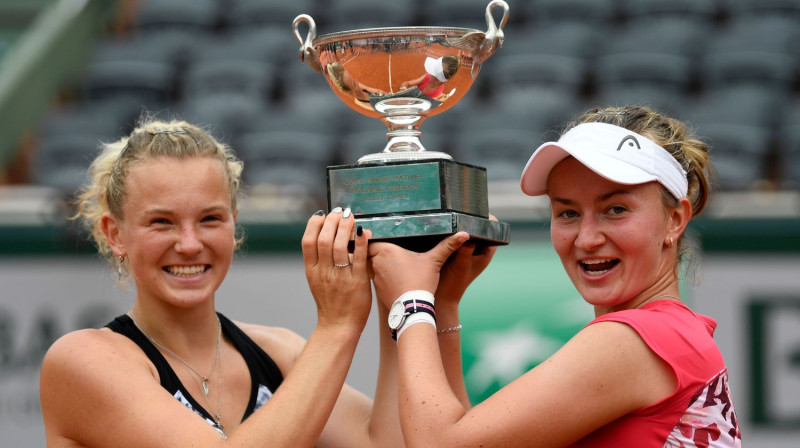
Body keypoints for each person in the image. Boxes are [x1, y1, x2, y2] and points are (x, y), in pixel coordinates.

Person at [367, 105, 743, 447]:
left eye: (615, 209)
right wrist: (444, 303)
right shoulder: (669, 334)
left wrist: (412, 301)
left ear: (675, 219)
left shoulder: (636, 340)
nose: (587, 238)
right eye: (568, 213)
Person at [39, 118, 404, 447]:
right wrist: (337, 326)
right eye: (161, 222)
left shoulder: (278, 353)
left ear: (234, 224)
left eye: (210, 219)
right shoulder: (81, 361)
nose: (189, 244)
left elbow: (382, 441)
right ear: (115, 233)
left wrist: (398, 297)